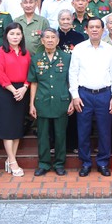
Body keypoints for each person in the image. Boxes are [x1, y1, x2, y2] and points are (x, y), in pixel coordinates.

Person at [69, 18, 112, 177]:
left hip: (104, 94)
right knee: (83, 130)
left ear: (103, 29)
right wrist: (75, 95)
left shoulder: (110, 49)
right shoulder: (79, 48)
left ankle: (103, 163)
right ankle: (85, 163)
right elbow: (73, 73)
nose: (95, 30)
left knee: (104, 131)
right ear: (86, 29)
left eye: (98, 27)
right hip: (84, 94)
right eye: (91, 27)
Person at [29, 28, 74, 176]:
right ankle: (44, 164)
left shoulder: (66, 58)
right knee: (43, 135)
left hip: (61, 101)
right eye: (46, 37)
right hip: (42, 101)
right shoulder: (36, 58)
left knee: (60, 134)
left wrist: (72, 100)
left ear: (58, 40)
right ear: (42, 41)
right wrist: (31, 104)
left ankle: (60, 164)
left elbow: (71, 81)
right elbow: (33, 83)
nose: (49, 40)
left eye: (52, 37)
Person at [0, 23, 32, 177]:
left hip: (22, 91)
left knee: (17, 128)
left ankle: (11, 159)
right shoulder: (0, 52)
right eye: (12, 34)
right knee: (8, 129)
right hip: (6, 92)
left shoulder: (25, 53)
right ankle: (12, 160)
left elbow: (30, 72)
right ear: (6, 36)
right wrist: (12, 89)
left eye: (18, 34)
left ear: (22, 36)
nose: (15, 37)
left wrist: (24, 88)